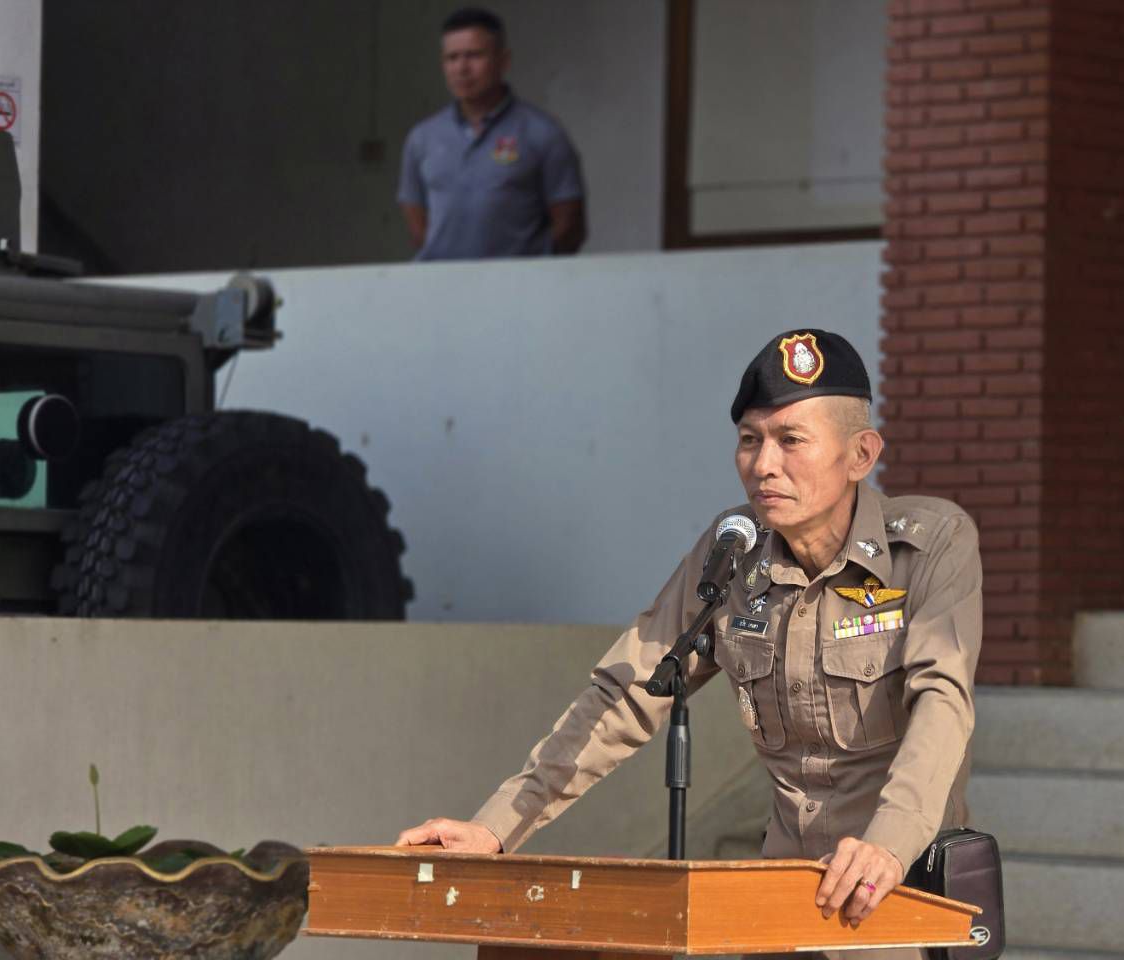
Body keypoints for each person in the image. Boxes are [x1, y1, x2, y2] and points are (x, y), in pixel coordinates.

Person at [398, 329, 982, 956]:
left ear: (861, 455)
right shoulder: (734, 551)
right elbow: (625, 694)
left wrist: (887, 845)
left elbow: (942, 703)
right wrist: (495, 828)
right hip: (780, 895)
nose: (763, 465)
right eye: (750, 440)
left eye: (791, 441)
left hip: (893, 892)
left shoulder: (929, 546)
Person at [397, 7, 586, 260]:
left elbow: (570, 227)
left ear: (503, 61)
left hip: (519, 281)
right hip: (441, 280)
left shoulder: (542, 133)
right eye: (452, 58)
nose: (462, 68)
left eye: (474, 55)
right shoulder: (422, 138)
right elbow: (416, 222)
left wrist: (527, 268)